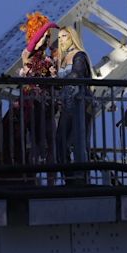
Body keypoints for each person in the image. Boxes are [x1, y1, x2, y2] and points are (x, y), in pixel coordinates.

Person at [0, 12, 58, 184]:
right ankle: (31, 178)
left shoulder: (49, 59)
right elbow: (34, 43)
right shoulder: (27, 55)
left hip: (47, 104)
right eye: (43, 35)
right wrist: (46, 26)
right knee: (34, 142)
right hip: (31, 104)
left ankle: (51, 182)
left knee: (50, 142)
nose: (46, 38)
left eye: (47, 36)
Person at [55, 26, 93, 185]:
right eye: (59, 37)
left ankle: (80, 178)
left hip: (79, 105)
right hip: (67, 105)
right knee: (60, 141)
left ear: (72, 37)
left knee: (78, 142)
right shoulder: (62, 59)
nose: (61, 40)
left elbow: (77, 73)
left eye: (64, 36)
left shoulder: (79, 56)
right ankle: (70, 177)